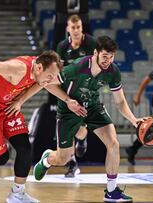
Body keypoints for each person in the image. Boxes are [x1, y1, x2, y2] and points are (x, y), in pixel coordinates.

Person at [0, 51, 86, 203]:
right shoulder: (18, 68)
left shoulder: (41, 70)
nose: (51, 80)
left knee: (24, 149)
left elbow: (43, 83)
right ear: (38, 68)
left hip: (8, 107)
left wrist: (66, 100)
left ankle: (17, 194)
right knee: (0, 158)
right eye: (50, 76)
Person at [30, 36, 145, 202]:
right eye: (105, 56)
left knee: (113, 144)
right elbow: (47, 84)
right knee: (63, 158)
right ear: (96, 53)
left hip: (92, 106)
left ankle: (111, 191)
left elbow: (120, 101)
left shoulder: (113, 72)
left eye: (111, 57)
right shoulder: (77, 67)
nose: (108, 61)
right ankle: (47, 159)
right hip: (69, 110)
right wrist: (68, 101)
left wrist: (134, 120)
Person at [56, 14, 97, 177]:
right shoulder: (62, 47)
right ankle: (72, 163)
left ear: (82, 28)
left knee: (80, 130)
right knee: (69, 129)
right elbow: (58, 70)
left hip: (86, 92)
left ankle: (82, 139)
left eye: (78, 27)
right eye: (72, 27)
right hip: (69, 93)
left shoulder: (91, 43)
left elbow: (97, 67)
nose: (76, 30)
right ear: (68, 29)